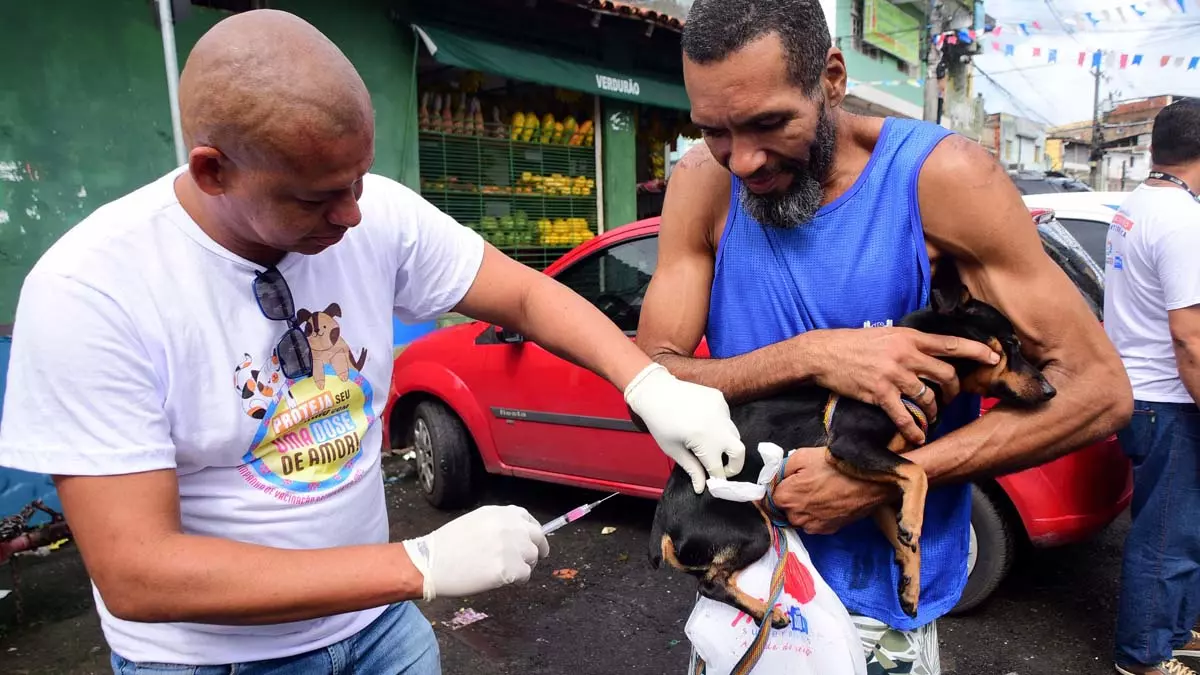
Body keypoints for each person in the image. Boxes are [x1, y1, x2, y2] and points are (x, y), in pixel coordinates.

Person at [0, 10, 747, 674]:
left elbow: (522, 292)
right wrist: (416, 562)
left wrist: (647, 386)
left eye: (360, 176)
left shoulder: (374, 215)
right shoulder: (91, 293)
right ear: (213, 170)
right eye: (319, 196)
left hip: (378, 630)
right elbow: (138, 572)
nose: (354, 214)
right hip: (213, 660)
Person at [635, 1, 1132, 672]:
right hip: (746, 595)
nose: (743, 159)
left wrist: (890, 480)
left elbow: (1099, 392)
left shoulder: (940, 179)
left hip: (878, 613)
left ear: (832, 78)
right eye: (716, 129)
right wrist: (816, 354)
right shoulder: (702, 183)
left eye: (768, 123)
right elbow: (647, 382)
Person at [1105, 98, 1200, 675]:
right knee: (1167, 537)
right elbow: (1188, 338)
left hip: (1139, 394)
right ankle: (1144, 656)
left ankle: (1175, 630)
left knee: (1177, 528)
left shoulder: (1136, 205)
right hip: (1169, 398)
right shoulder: (1185, 222)